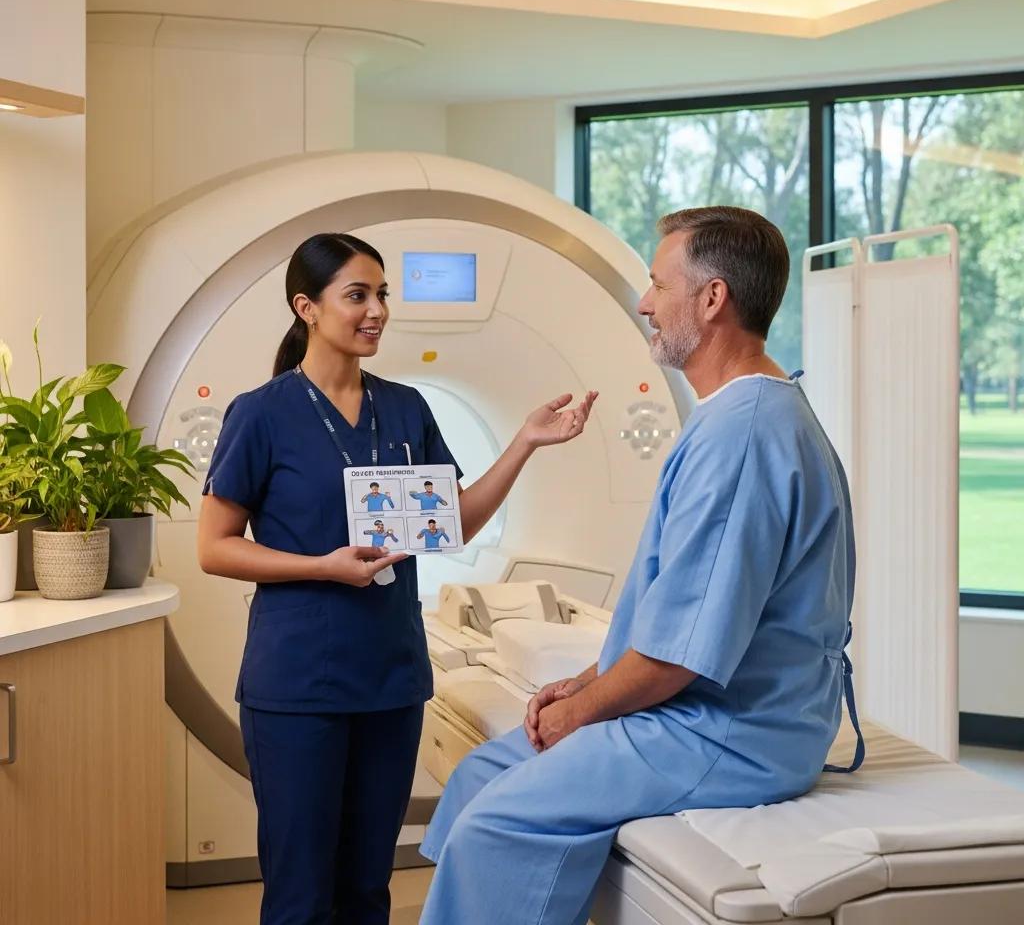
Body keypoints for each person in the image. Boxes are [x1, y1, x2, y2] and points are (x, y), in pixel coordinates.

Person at [419, 206, 859, 925]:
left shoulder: (743, 436)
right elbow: (677, 618)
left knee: (495, 825)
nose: (644, 302)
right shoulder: (733, 416)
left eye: (658, 285)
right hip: (699, 710)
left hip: (732, 732)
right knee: (482, 774)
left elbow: (679, 657)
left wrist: (580, 716)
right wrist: (585, 683)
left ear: (712, 299)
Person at [196, 232, 598, 925]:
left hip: (390, 678)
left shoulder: (406, 407)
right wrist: (320, 567)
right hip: (298, 685)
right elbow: (215, 547)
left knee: (367, 891)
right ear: (307, 308)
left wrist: (525, 443)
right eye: (357, 295)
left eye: (382, 294)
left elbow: (455, 523)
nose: (377, 309)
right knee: (300, 896)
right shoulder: (261, 414)